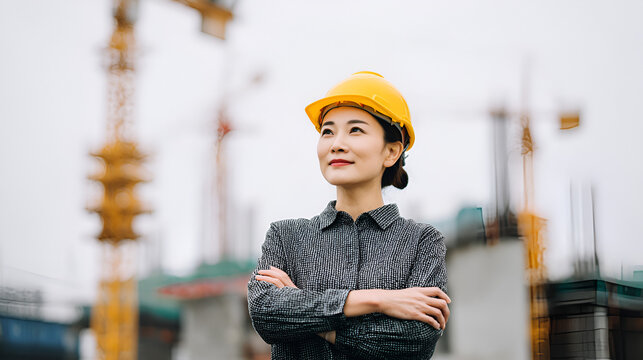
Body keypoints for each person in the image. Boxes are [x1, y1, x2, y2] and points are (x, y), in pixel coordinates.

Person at [246, 71, 451, 360]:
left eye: (355, 130)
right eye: (327, 131)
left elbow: (414, 341)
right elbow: (267, 312)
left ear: (391, 151)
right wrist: (380, 300)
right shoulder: (285, 236)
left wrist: (309, 316)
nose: (336, 144)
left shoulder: (422, 241)